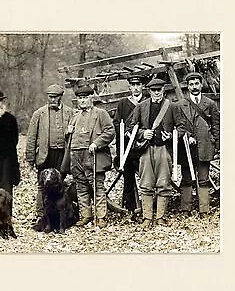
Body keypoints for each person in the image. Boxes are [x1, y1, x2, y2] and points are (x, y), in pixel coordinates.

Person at [128, 78, 186, 230]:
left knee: (163, 184)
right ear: (149, 91)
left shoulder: (172, 107)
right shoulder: (141, 106)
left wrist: (172, 136)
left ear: (163, 91)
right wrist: (142, 133)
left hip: (164, 150)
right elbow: (131, 127)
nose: (156, 92)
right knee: (146, 184)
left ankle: (160, 217)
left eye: (159, 90)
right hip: (146, 150)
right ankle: (147, 217)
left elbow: (181, 127)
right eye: (153, 90)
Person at [65, 82, 115, 228]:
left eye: (85, 97)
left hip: (92, 155)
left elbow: (110, 132)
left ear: (91, 98)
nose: (82, 100)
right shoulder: (75, 116)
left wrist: (97, 143)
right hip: (76, 156)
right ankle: (86, 215)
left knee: (97, 187)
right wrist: (67, 132)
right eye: (80, 98)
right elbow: (69, 138)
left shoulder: (101, 114)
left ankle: (101, 217)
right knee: (80, 187)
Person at [25, 84, 74, 228]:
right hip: (45, 154)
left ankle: (60, 216)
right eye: (50, 97)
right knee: (42, 186)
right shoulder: (39, 114)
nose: (52, 99)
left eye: (55, 97)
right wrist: (30, 159)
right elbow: (31, 137)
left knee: (60, 184)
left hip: (62, 154)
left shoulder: (70, 113)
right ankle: (42, 215)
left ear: (61, 97)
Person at [177, 72, 220, 219]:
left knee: (203, 178)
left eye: (196, 83)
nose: (194, 87)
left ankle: (204, 210)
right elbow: (179, 125)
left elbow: (216, 126)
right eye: (191, 84)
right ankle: (185, 209)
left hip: (205, 146)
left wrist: (215, 144)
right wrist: (187, 136)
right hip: (186, 147)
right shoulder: (180, 105)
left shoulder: (210, 103)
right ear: (187, 87)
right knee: (187, 178)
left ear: (201, 85)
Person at [113, 75, 148, 221]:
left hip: (143, 146)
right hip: (127, 147)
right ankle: (131, 209)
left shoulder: (148, 102)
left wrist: (142, 136)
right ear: (129, 87)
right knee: (128, 179)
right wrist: (125, 132)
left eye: (138, 84)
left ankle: (146, 209)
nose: (135, 87)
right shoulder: (123, 103)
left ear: (142, 87)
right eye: (133, 85)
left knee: (147, 178)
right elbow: (116, 122)